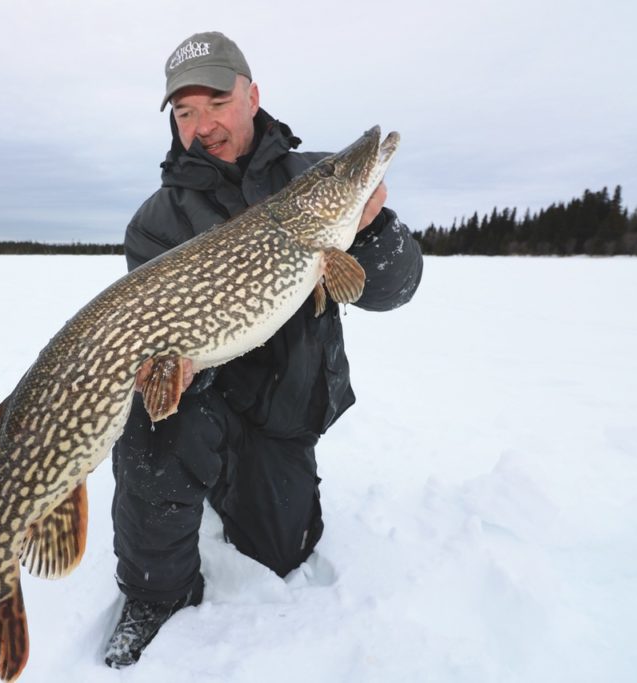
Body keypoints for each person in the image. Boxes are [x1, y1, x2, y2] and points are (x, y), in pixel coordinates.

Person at [105, 31, 423, 667]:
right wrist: (170, 366)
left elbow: (397, 288)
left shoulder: (315, 180)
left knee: (281, 550)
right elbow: (153, 341)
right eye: (184, 112)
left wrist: (370, 228)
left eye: (215, 102)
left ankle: (234, 489)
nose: (201, 125)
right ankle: (153, 595)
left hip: (284, 411)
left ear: (253, 96)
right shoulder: (155, 220)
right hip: (204, 401)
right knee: (154, 422)